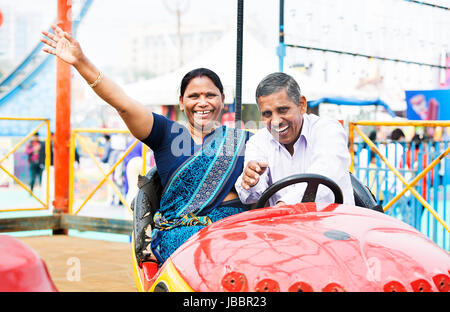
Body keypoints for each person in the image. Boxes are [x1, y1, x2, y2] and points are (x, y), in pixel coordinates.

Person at [40, 25, 250, 263]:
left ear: (223, 99)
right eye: (194, 96)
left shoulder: (242, 141)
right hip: (182, 236)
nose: (203, 102)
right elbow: (123, 104)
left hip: (233, 231)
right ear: (181, 102)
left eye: (210, 95)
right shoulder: (165, 133)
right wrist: (81, 62)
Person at [235, 72, 355, 206]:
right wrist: (251, 181)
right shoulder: (258, 142)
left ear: (302, 105)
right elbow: (250, 197)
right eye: (267, 114)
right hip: (284, 224)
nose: (275, 121)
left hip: (332, 224)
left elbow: (323, 177)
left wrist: (284, 206)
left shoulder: (328, 130)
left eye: (283, 110)